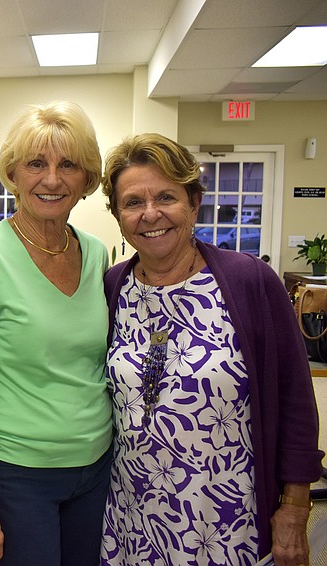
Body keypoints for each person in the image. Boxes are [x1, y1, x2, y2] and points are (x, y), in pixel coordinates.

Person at [99, 133, 323, 566]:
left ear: (193, 203)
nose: (151, 214)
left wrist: (295, 508)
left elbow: (296, 399)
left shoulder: (249, 281)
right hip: (132, 518)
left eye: (166, 197)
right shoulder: (112, 288)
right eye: (132, 202)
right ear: (117, 214)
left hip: (225, 516)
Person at [0, 101, 113, 566]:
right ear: (13, 173)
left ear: (86, 179)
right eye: (36, 163)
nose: (52, 179)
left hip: (97, 467)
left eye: (68, 165)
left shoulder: (96, 253)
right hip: (18, 474)